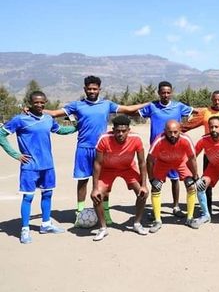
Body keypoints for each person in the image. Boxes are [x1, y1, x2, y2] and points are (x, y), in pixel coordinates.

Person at [43, 75, 147, 224]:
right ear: (85, 89)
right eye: (89, 88)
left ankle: (106, 213)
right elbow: (54, 113)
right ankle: (80, 212)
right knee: (83, 181)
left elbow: (129, 109)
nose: (92, 91)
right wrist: (33, 109)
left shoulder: (107, 104)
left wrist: (150, 103)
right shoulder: (77, 105)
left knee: (104, 183)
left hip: (104, 149)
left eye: (95, 88)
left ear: (99, 89)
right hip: (84, 149)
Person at [0, 91, 76, 244]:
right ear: (30, 103)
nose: (39, 105)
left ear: (45, 102)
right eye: (36, 102)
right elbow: (1, 134)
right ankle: (25, 230)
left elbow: (59, 130)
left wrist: (77, 127)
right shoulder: (20, 119)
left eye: (42, 102)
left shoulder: (48, 119)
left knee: (47, 195)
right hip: (30, 166)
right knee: (28, 197)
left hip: (47, 165)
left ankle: (46, 225)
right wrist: (15, 155)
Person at [138, 81, 197, 218]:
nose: (165, 95)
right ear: (158, 93)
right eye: (163, 92)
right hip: (157, 148)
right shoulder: (152, 107)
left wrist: (186, 127)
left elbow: (196, 112)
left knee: (175, 179)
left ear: (171, 93)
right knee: (156, 181)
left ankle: (176, 206)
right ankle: (156, 210)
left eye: (168, 92)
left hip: (175, 149)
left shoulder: (178, 106)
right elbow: (136, 113)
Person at [90, 115, 148, 241]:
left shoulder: (136, 138)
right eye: (117, 131)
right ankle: (103, 228)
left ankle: (137, 223)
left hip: (128, 168)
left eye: (124, 131)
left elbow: (142, 162)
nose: (120, 134)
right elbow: (97, 163)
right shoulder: (104, 139)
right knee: (96, 195)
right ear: (113, 129)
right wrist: (94, 188)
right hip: (108, 169)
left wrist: (144, 184)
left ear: (129, 130)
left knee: (143, 193)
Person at [147, 120, 199, 232]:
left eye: (175, 132)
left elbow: (192, 159)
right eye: (170, 132)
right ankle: (157, 220)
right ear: (165, 131)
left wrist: (195, 175)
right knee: (155, 187)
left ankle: (190, 218)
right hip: (162, 162)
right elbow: (149, 160)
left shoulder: (186, 140)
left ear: (180, 130)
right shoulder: (159, 140)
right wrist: (151, 179)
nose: (173, 135)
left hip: (180, 162)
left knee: (191, 186)